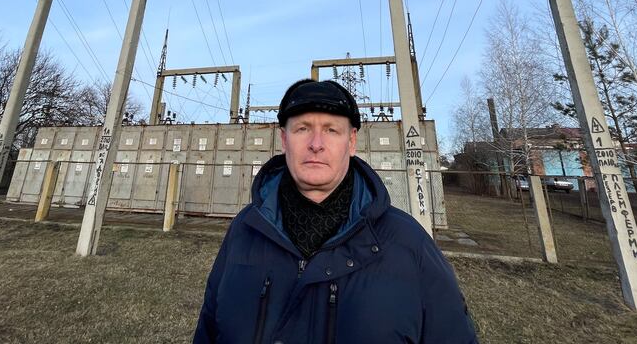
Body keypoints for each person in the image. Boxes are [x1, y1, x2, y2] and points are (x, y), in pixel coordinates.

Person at [193, 79, 477, 344]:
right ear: (284, 140)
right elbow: (208, 329)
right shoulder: (245, 229)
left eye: (331, 130)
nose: (316, 144)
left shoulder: (409, 244)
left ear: (351, 142)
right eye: (302, 128)